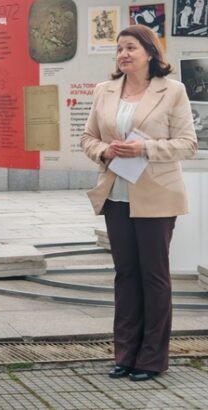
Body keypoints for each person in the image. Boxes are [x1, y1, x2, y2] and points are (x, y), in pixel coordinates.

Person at [81, 24, 197, 382]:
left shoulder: (173, 91)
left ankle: (152, 359)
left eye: (130, 47)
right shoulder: (104, 91)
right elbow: (87, 138)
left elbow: (188, 144)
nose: (123, 54)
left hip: (157, 196)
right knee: (126, 275)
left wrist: (144, 148)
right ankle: (125, 354)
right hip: (116, 195)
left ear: (150, 52)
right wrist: (105, 150)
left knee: (154, 276)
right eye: (119, 49)